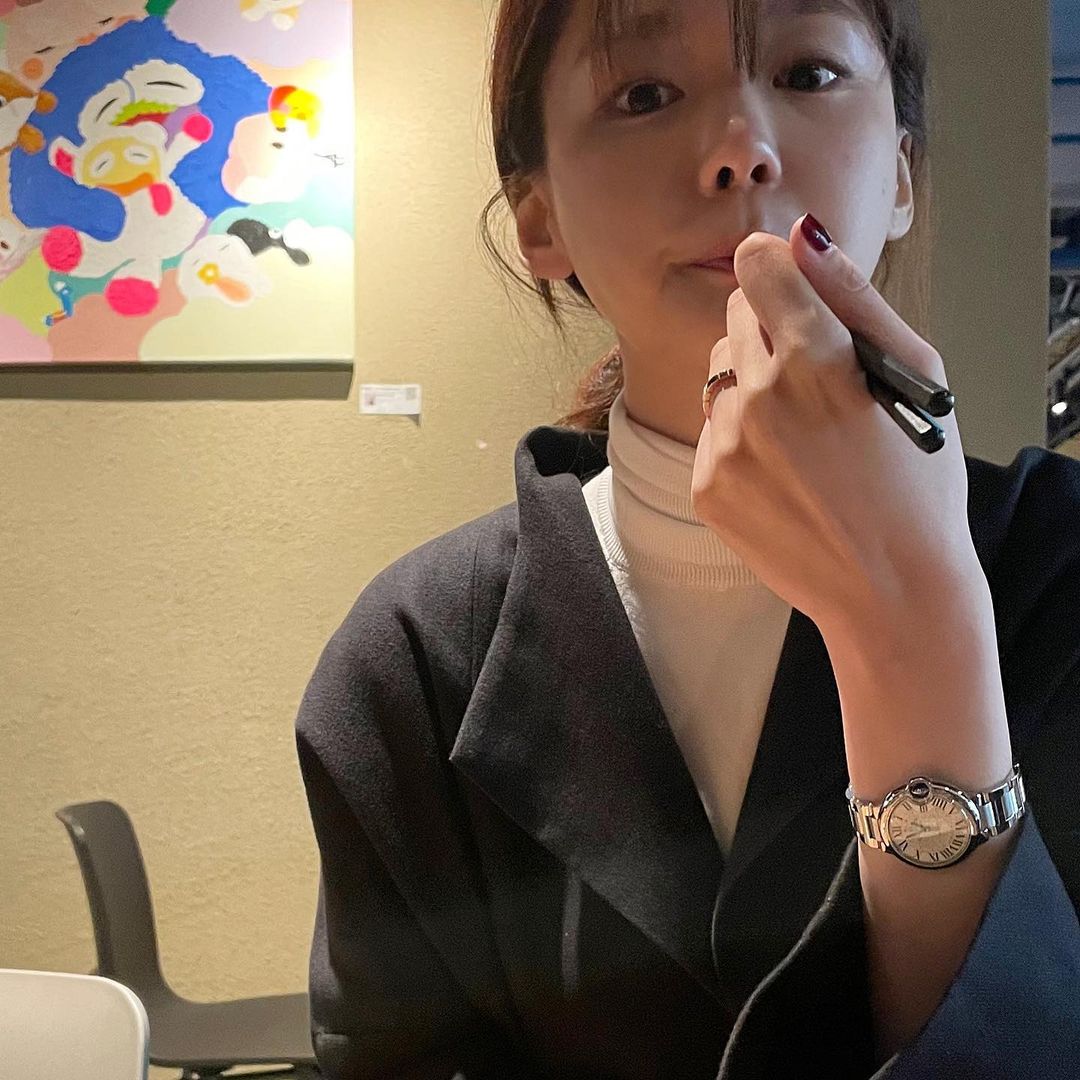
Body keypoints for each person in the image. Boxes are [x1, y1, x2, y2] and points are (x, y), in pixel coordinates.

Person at [295, 1, 1080, 1076]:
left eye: (809, 74)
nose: (741, 151)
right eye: (645, 94)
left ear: (901, 174)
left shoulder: (1059, 565)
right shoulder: (413, 660)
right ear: (539, 219)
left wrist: (912, 623)